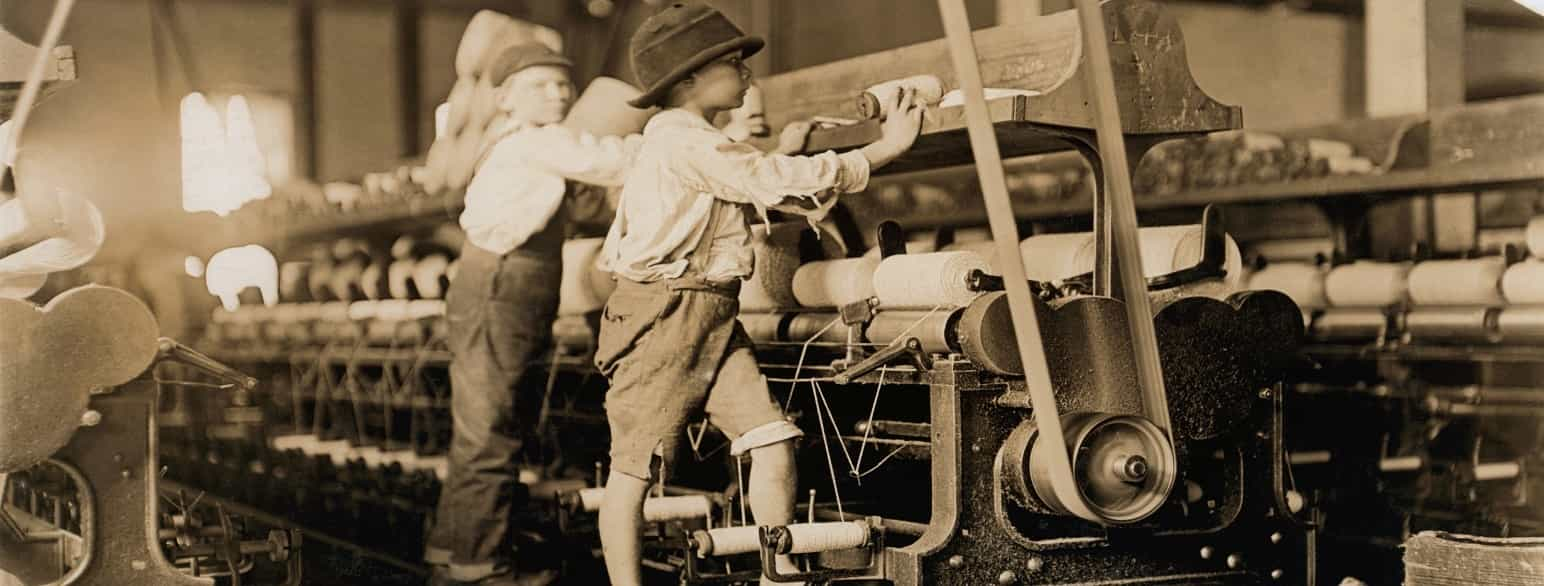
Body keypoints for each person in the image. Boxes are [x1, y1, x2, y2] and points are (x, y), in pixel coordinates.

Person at [592, 3, 923, 585]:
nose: (747, 74)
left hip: (712, 310)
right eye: (733, 63)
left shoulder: (703, 142)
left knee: (771, 438)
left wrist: (793, 158)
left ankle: (778, 570)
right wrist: (881, 150)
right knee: (635, 470)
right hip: (664, 315)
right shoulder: (683, 143)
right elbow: (765, 180)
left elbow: (763, 185)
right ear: (689, 79)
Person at [424, 41, 639, 586]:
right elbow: (610, 161)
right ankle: (482, 567)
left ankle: (455, 552)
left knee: (482, 424)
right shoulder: (537, 140)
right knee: (491, 428)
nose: (558, 92)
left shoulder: (518, 144)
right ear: (504, 98)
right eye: (539, 85)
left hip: (500, 284)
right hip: (504, 284)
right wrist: (677, 141)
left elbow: (582, 196)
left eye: (562, 82)